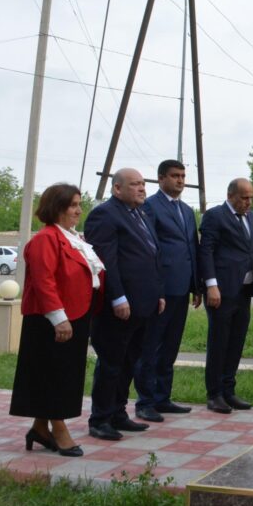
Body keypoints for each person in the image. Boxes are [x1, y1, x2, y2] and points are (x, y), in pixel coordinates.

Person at [10, 183, 105, 457]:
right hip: (52, 319)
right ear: (57, 207)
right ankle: (59, 429)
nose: (79, 210)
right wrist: (58, 318)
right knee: (54, 376)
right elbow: (44, 281)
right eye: (73, 205)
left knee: (63, 374)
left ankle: (40, 428)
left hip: (77, 314)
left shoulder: (73, 238)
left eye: (79, 204)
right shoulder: (46, 239)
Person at [83, 168, 165, 441]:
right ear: (117, 189)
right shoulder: (105, 215)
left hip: (144, 303)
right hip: (119, 306)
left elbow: (153, 256)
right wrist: (117, 297)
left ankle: (118, 413)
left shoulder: (141, 214)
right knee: (111, 363)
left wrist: (159, 293)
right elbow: (107, 261)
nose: (142, 188)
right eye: (134, 184)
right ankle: (100, 419)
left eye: (142, 184)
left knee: (130, 361)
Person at [134, 160, 201, 422]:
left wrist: (196, 285)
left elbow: (192, 248)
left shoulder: (186, 210)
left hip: (182, 288)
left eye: (183, 176)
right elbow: (150, 248)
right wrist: (157, 288)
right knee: (151, 346)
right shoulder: (150, 206)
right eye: (175, 176)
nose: (180, 180)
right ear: (161, 178)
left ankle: (163, 397)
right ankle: (145, 401)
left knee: (171, 345)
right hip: (161, 290)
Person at [198, 178, 253, 413]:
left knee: (236, 341)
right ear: (231, 196)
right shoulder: (215, 216)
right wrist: (211, 285)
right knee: (219, 342)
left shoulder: (252, 218)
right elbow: (206, 251)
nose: (248, 202)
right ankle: (214, 394)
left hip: (244, 291)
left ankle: (229, 391)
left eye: (251, 198)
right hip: (221, 290)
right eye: (244, 198)